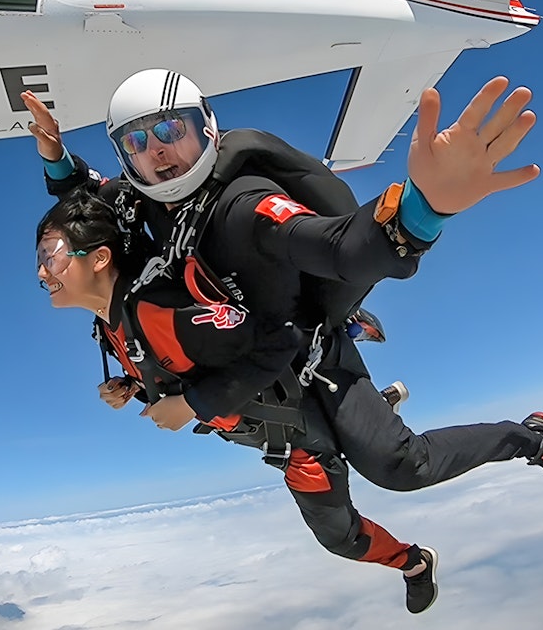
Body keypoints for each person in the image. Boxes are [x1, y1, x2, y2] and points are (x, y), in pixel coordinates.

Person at [23, 70, 543, 497]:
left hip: (304, 344)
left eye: (171, 129)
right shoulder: (139, 199)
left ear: (207, 128)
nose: (157, 151)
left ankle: (532, 438)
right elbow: (86, 200)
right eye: (136, 143)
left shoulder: (245, 208)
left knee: (401, 468)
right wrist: (55, 156)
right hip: (257, 349)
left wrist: (426, 208)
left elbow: (339, 248)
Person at [35, 188, 441, 613]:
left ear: (99, 258)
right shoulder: (111, 325)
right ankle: (368, 409)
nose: (42, 271)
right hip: (273, 426)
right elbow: (182, 365)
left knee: (343, 538)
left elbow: (276, 339)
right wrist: (133, 387)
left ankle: (414, 562)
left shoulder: (156, 310)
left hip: (298, 440)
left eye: (51, 255)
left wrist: (190, 405)